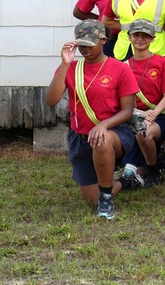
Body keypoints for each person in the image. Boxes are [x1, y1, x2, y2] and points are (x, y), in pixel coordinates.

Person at [45, 19, 139, 219]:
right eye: (81, 45)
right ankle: (126, 180)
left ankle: (107, 199)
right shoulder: (72, 67)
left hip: (115, 133)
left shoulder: (120, 69)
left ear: (103, 40)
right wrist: (64, 64)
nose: (85, 49)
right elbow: (51, 100)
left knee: (101, 140)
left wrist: (104, 125)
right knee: (90, 199)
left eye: (90, 44)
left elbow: (127, 110)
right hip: (80, 137)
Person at [118, 19, 165, 189]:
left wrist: (152, 114)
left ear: (153, 38)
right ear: (129, 37)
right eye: (136, 35)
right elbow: (122, 98)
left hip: (161, 116)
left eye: (145, 36)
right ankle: (142, 164)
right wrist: (140, 114)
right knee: (133, 168)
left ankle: (154, 171)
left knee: (143, 132)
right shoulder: (123, 66)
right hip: (134, 114)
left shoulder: (163, 63)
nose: (140, 39)